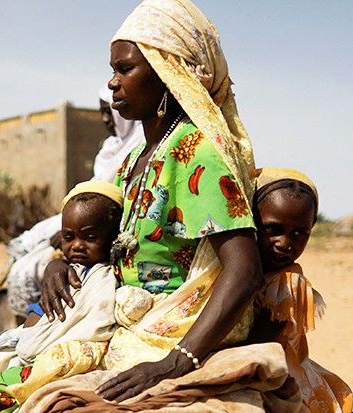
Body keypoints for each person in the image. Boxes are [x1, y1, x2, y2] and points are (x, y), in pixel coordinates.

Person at [35, 0, 262, 404]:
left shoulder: (195, 154)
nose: (112, 83)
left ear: (167, 74)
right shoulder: (133, 161)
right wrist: (59, 263)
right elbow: (109, 243)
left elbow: (244, 269)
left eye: (125, 69)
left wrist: (177, 362)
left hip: (170, 338)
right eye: (112, 70)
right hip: (125, 325)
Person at [0, 181, 126, 410]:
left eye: (90, 237)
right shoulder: (61, 274)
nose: (77, 246)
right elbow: (36, 319)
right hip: (26, 349)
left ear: (112, 237)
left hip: (53, 360)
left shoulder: (106, 278)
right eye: (69, 237)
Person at [4, 87, 146, 323]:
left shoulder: (139, 146)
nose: (104, 119)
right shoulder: (111, 148)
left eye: (108, 112)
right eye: (101, 112)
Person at [248, 167, 353, 413]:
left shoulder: (287, 283)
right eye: (273, 230)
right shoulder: (241, 268)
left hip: (281, 383)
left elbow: (257, 346)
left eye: (299, 234)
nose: (285, 244)